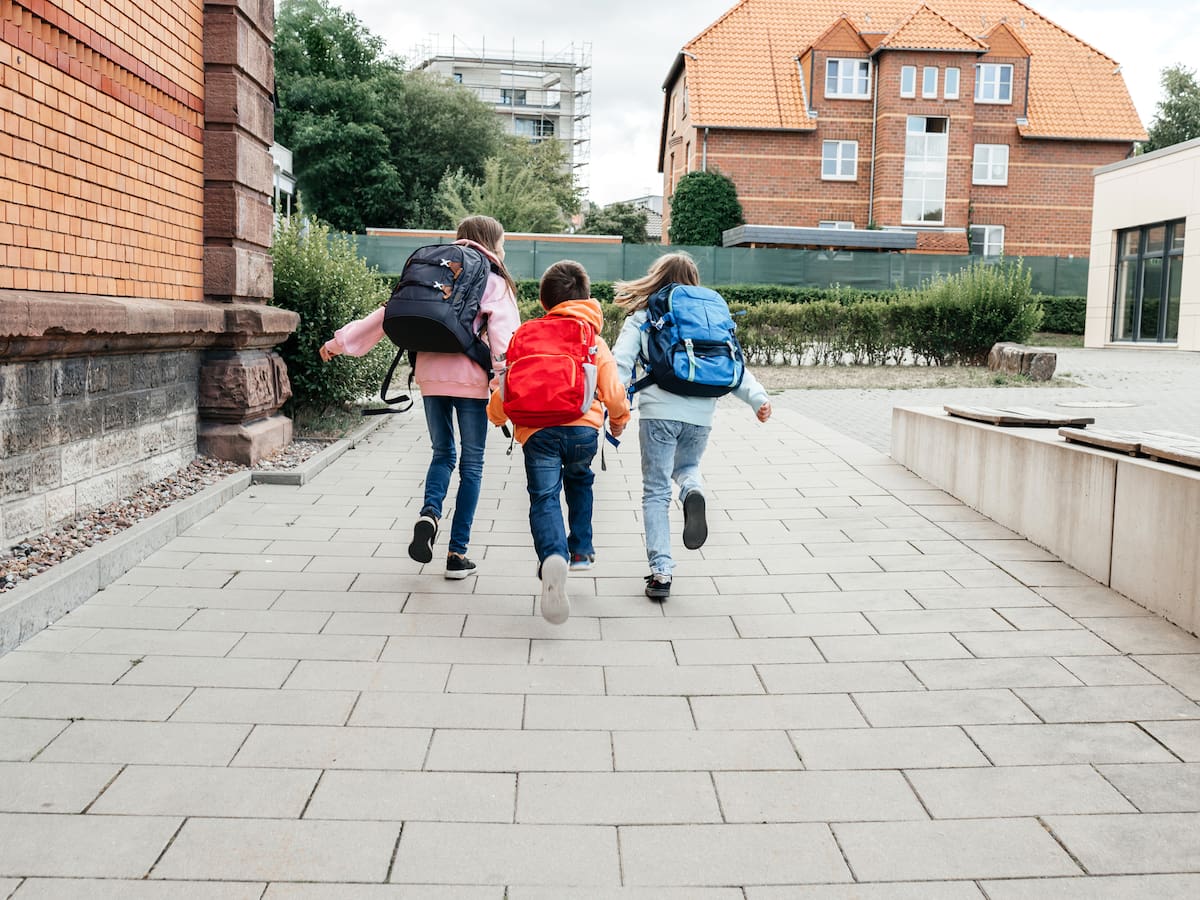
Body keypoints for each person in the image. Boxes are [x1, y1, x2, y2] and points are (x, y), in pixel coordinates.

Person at [320, 215, 520, 580]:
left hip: (430, 377)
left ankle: (429, 515)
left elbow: (387, 313)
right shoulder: (491, 278)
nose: (503, 250)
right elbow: (504, 336)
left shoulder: (435, 270)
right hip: (471, 380)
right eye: (502, 243)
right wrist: (503, 384)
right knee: (472, 464)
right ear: (491, 242)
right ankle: (457, 554)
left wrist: (339, 343)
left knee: (442, 453)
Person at [611, 252, 772, 601]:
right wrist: (758, 398)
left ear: (657, 278)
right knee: (686, 467)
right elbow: (732, 361)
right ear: (694, 281)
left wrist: (616, 408)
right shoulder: (709, 316)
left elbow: (620, 363)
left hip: (658, 413)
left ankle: (661, 572)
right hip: (701, 414)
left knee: (655, 491)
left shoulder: (645, 314)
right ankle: (691, 490)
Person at [487, 260, 630, 624]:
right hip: (583, 430)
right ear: (586, 297)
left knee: (544, 497)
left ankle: (553, 555)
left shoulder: (526, 335)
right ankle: (580, 549)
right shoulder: (592, 339)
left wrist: (497, 416)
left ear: (544, 301)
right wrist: (618, 421)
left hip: (537, 432)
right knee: (580, 481)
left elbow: (508, 384)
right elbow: (613, 391)